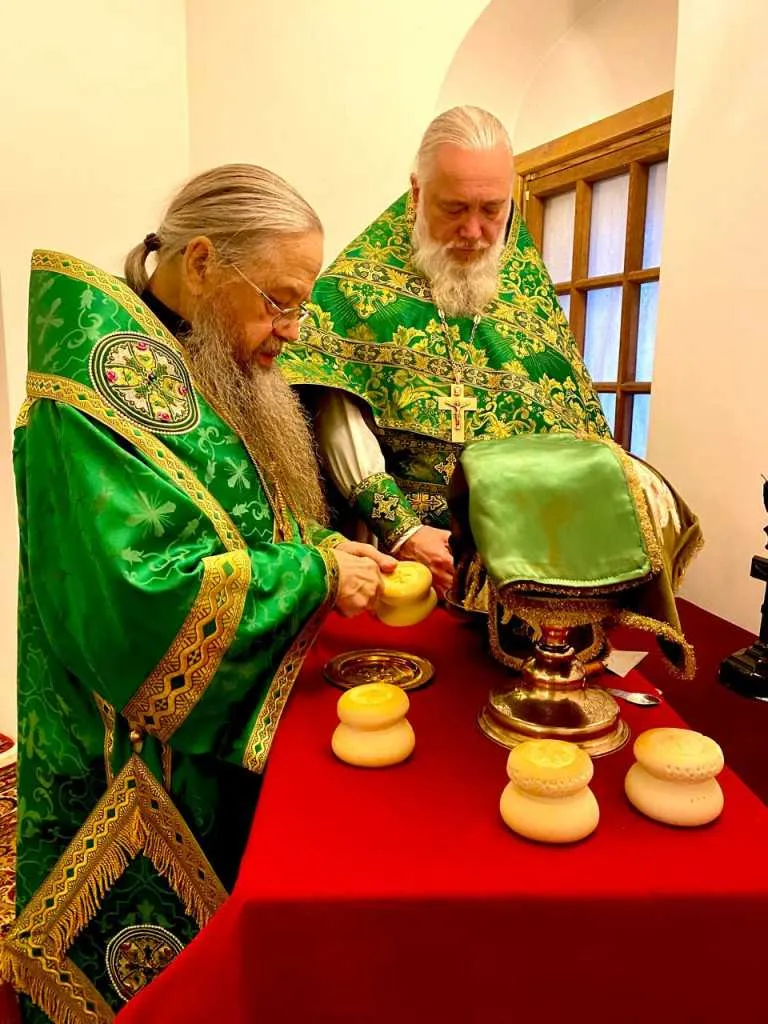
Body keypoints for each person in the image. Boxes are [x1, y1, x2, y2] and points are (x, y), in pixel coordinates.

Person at [0, 164, 396, 1023]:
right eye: (280, 302)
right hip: (122, 763)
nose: (291, 331)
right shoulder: (94, 395)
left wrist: (321, 543)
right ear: (205, 261)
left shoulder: (195, 359)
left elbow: (237, 524)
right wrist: (317, 575)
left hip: (196, 754)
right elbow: (137, 603)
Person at [280, 105, 610, 596]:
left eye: (492, 210)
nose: (474, 233)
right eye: (454, 209)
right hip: (394, 562)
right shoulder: (353, 289)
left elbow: (568, 430)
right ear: (417, 193)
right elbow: (334, 417)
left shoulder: (527, 293)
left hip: (511, 564)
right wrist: (403, 531)